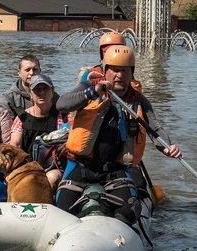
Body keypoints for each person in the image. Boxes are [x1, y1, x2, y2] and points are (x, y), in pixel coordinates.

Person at [56, 45, 182, 225]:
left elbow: (155, 128)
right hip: (80, 166)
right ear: (105, 71)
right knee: (60, 210)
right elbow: (61, 104)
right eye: (114, 70)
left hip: (115, 169)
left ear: (132, 74)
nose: (119, 75)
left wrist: (168, 147)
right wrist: (93, 93)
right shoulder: (89, 87)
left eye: (125, 71)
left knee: (131, 208)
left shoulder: (139, 101)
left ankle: (117, 235)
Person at [9, 74, 72, 191]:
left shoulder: (64, 115)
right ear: (31, 94)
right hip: (28, 166)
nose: (42, 92)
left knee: (52, 177)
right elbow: (15, 145)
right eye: (37, 89)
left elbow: (76, 138)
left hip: (55, 167)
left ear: (52, 92)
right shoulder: (22, 117)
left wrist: (68, 145)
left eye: (45, 88)